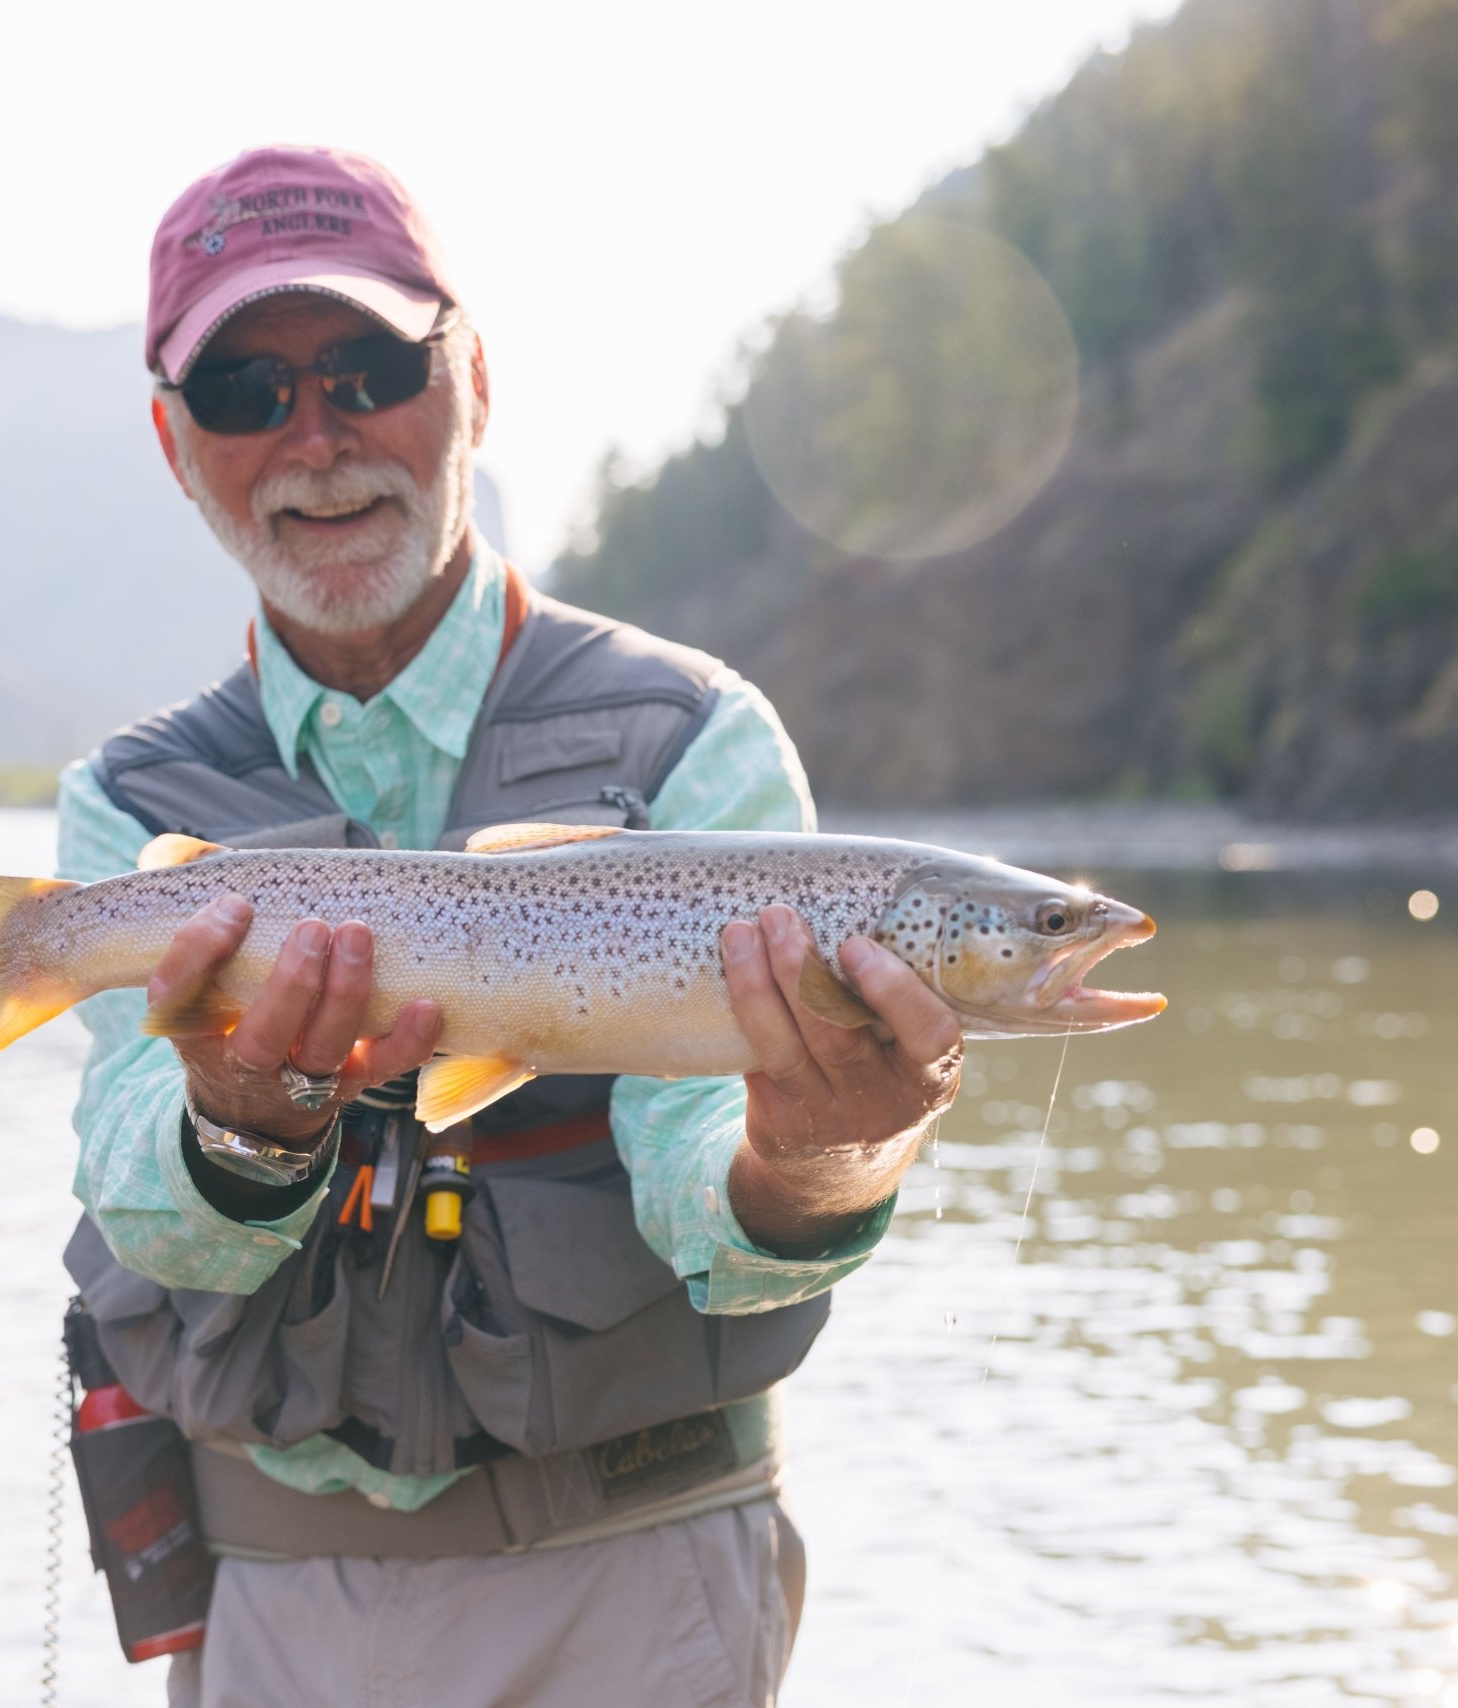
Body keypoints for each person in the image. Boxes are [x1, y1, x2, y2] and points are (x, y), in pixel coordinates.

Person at [57, 144, 964, 1708]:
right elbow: (147, 1214)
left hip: (638, 1587)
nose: (317, 437)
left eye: (367, 367)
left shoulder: (694, 740)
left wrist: (824, 1154)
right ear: (171, 445)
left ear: (473, 376)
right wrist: (247, 1128)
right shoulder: (137, 805)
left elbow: (715, 1205)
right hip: (274, 1603)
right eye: (245, 393)